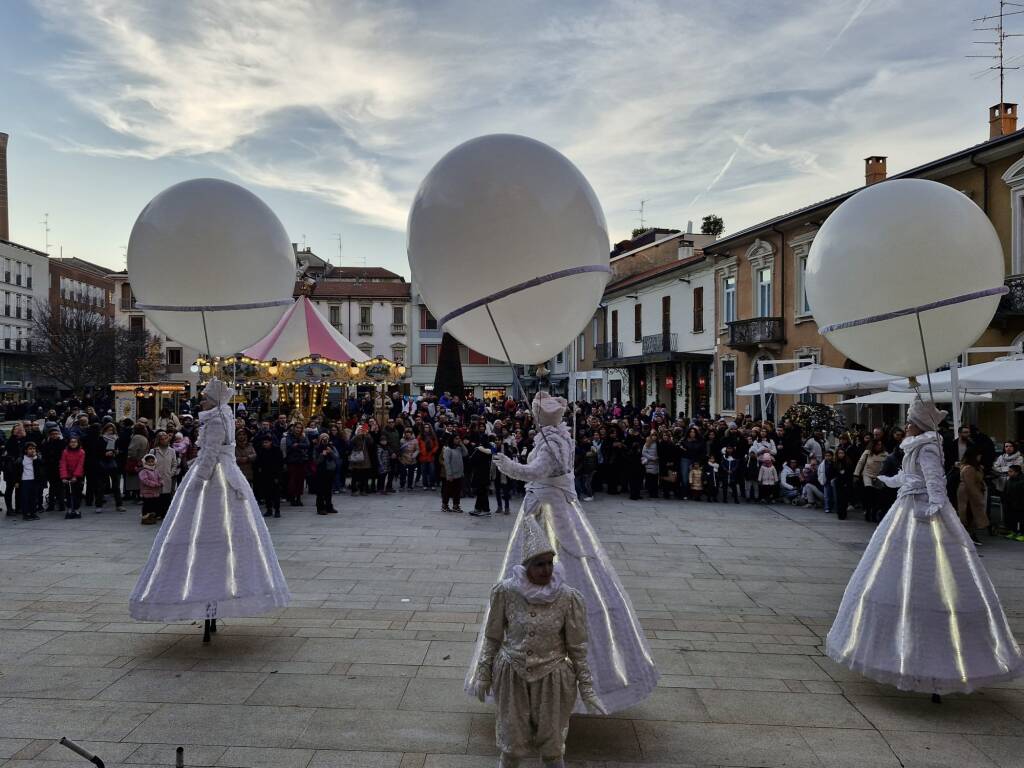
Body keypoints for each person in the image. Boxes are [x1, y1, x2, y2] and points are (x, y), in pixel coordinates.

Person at [470, 392, 658, 713]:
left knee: (551, 560)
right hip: (546, 505)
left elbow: (536, 472)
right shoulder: (555, 436)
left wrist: (506, 464)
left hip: (549, 509)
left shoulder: (553, 441)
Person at [827, 397, 1024, 694]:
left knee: (926, 570)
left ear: (918, 425)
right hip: (906, 506)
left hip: (920, 511)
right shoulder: (915, 445)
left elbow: (934, 482)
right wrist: (889, 481)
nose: (905, 426)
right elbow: (909, 476)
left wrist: (933, 508)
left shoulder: (927, 446)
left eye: (909, 421)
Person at [129, 378, 291, 624]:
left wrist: (197, 480)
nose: (202, 401)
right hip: (228, 472)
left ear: (213, 400)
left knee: (207, 520)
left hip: (216, 476)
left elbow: (211, 454)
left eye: (205, 397)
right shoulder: (223, 416)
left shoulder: (216, 419)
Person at [469, 515, 604, 768]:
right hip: (512, 675)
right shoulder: (506, 592)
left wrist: (586, 687)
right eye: (540, 564)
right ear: (527, 566)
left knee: (553, 746)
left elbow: (577, 647)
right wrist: (483, 674)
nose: (546, 570)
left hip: (553, 678)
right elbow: (492, 637)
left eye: (550, 563)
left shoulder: (567, 598)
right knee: (511, 744)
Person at [957, 448, 989, 545]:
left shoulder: (972, 467)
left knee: (971, 515)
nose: (980, 458)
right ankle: (968, 536)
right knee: (969, 514)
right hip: (968, 494)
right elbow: (970, 485)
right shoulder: (969, 468)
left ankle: (969, 535)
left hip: (970, 492)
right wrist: (978, 496)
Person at [254, 434, 284, 518]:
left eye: (266, 442)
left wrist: (278, 476)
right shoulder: (261, 451)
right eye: (263, 442)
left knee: (276, 494)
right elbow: (258, 463)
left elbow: (280, 464)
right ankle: (269, 509)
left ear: (270, 442)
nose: (264, 444)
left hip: (274, 475)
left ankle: (277, 510)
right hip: (264, 475)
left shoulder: (276, 450)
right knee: (267, 494)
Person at [281, 423, 310, 506]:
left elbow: (307, 445)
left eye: (300, 428)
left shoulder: (303, 436)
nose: (298, 429)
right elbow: (289, 445)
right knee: (292, 480)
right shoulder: (289, 436)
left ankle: (298, 498)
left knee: (300, 480)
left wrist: (297, 444)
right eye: (297, 428)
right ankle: (292, 498)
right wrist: (300, 446)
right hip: (292, 461)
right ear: (294, 428)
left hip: (302, 460)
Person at [59, 436, 86, 519]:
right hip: (68, 475)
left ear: (78, 443)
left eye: (75, 442)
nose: (73, 443)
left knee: (77, 493)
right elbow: (63, 464)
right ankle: (70, 508)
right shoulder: (65, 452)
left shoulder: (81, 452)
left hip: (78, 475)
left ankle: (77, 508)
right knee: (68, 493)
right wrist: (63, 477)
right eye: (71, 442)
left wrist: (75, 476)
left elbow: (80, 465)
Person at [441, 435, 467, 514]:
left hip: (459, 474)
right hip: (451, 474)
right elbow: (447, 463)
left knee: (457, 491)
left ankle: (456, 505)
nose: (458, 440)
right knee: (448, 491)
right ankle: (444, 505)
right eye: (456, 439)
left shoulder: (459, 449)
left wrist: (462, 444)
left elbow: (465, 453)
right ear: (452, 440)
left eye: (459, 438)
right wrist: (449, 474)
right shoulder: (448, 449)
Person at [314, 433, 339, 515]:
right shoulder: (317, 448)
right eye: (323, 438)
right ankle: (320, 508)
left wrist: (330, 452)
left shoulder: (332, 447)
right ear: (320, 439)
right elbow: (316, 461)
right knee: (320, 491)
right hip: (321, 472)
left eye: (326, 438)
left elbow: (337, 457)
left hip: (330, 471)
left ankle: (329, 507)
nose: (325, 440)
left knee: (328, 490)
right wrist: (322, 455)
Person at [18, 442, 43, 521]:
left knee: (34, 497)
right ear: (26, 450)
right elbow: (17, 471)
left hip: (34, 480)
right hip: (25, 481)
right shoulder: (21, 458)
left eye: (33, 449)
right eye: (30, 449)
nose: (32, 450)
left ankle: (33, 513)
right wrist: (16, 481)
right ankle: (26, 514)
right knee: (25, 498)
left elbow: (40, 468)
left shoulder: (37, 458)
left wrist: (35, 458)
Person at [138, 454, 163, 525]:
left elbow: (160, 478)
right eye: (149, 462)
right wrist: (154, 484)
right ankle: (145, 518)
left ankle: (152, 518)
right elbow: (145, 480)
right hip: (147, 493)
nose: (151, 463)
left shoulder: (156, 471)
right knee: (147, 505)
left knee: (154, 505)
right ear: (145, 462)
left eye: (152, 461)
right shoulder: (143, 471)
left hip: (155, 492)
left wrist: (161, 482)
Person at [1002, 464, 1024, 541]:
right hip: (1011, 503)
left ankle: (1022, 533)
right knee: (1012, 518)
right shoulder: (1009, 480)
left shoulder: (1021, 481)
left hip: (1020, 503)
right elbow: (1006, 491)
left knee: (1021, 519)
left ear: (1017, 472)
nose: (1009, 473)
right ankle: (1014, 532)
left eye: (1011, 471)